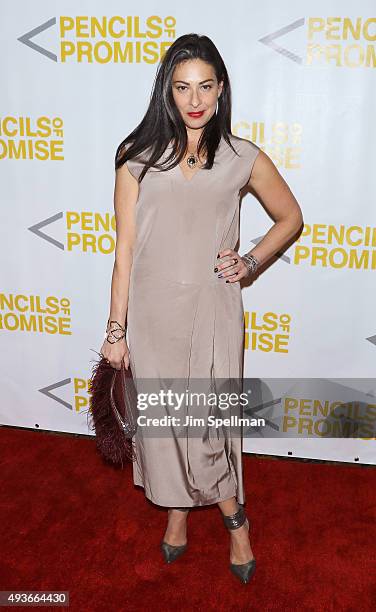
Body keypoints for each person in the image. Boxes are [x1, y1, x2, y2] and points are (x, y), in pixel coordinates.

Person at [100, 33, 303, 584]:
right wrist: (116, 332)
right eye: (183, 87)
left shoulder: (243, 157)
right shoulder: (136, 159)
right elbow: (123, 253)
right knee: (166, 422)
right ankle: (176, 512)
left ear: (220, 91)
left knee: (209, 422)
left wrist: (251, 262)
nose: (195, 100)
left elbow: (291, 217)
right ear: (167, 91)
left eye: (206, 87)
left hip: (214, 307)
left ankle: (235, 519)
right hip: (151, 311)